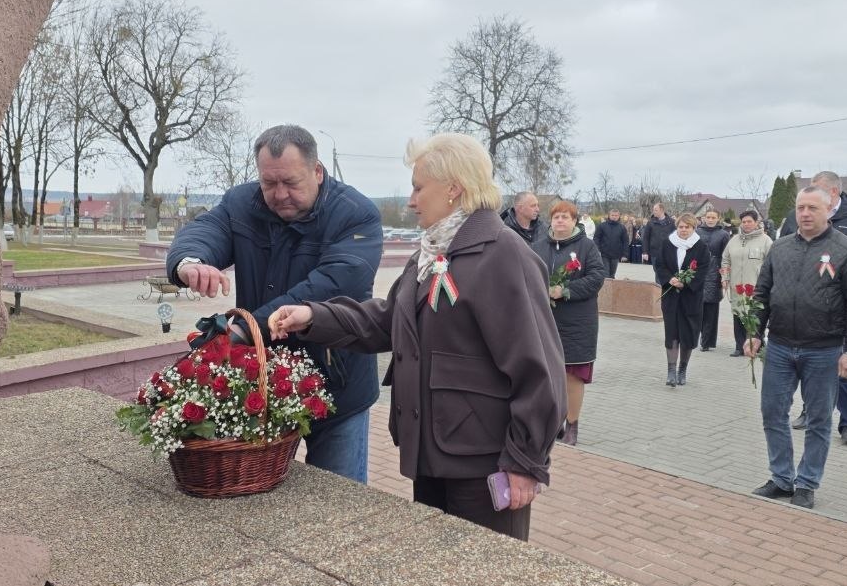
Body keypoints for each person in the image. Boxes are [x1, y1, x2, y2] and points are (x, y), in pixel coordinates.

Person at [267, 133, 565, 541]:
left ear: (454, 188)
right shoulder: (433, 253)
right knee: (438, 580)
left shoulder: (503, 254)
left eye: (418, 187)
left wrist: (524, 462)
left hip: (484, 465)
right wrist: (314, 317)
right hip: (433, 452)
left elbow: (541, 369)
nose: (410, 200)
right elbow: (388, 320)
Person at [166, 124, 383, 483]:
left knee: (338, 503)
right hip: (264, 380)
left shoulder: (356, 215)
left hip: (337, 384)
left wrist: (243, 329)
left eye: (291, 183)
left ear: (317, 171)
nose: (279, 194)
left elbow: (326, 287)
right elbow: (205, 230)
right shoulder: (242, 202)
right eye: (269, 183)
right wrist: (189, 262)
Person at [746, 186, 847, 510]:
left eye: (812, 208)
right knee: (772, 412)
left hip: (825, 349)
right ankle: (781, 477)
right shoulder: (780, 248)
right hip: (780, 347)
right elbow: (762, 294)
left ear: (829, 210)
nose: (804, 213)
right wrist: (755, 332)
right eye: (801, 207)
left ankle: (807, 482)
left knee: (818, 419)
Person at [781, 171, 847, 446]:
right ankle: (809, 410)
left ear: (834, 194)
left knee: (845, 362)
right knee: (808, 364)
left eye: (818, 191)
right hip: (808, 309)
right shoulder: (798, 218)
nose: (808, 206)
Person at [533, 201, 606, 446]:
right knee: (546, 375)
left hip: (577, 323)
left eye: (565, 217)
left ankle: (571, 424)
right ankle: (552, 422)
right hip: (545, 320)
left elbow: (596, 278)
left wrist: (564, 290)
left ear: (574, 221)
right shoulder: (538, 246)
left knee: (571, 375)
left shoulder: (587, 247)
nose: (560, 221)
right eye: (556, 217)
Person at [654, 214, 710, 386]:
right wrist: (669, 279)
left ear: (693, 228)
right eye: (681, 227)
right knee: (672, 333)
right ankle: (671, 371)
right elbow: (660, 264)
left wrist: (685, 283)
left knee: (687, 334)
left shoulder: (700, 247)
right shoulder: (667, 243)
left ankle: (682, 370)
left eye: (687, 227)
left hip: (690, 298)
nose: (684, 230)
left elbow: (703, 270)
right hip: (671, 297)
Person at [722, 210, 774, 357]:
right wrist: (725, 278)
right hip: (737, 287)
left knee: (755, 315)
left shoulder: (766, 241)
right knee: (738, 314)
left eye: (749, 221)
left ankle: (756, 344)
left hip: (756, 287)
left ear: (756, 222)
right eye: (744, 222)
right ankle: (739, 346)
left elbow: (771, 264)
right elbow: (725, 260)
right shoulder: (734, 240)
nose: (746, 224)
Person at [696, 209, 731, 351]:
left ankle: (707, 341)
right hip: (699, 271)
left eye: (713, 217)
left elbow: (726, 257)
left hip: (715, 272)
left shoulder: (723, 234)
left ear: (718, 218)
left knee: (711, 309)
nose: (710, 220)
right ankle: (697, 338)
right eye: (708, 217)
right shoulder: (697, 232)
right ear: (704, 218)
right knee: (698, 309)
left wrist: (724, 276)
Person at [593, 209, 630, 278]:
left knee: (612, 274)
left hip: (616, 255)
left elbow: (625, 241)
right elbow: (596, 238)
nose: (614, 217)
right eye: (612, 215)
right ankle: (605, 287)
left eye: (616, 215)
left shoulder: (622, 227)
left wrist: (625, 254)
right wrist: (597, 250)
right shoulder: (602, 226)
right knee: (605, 274)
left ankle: (611, 287)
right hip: (604, 254)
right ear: (609, 216)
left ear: (619, 216)